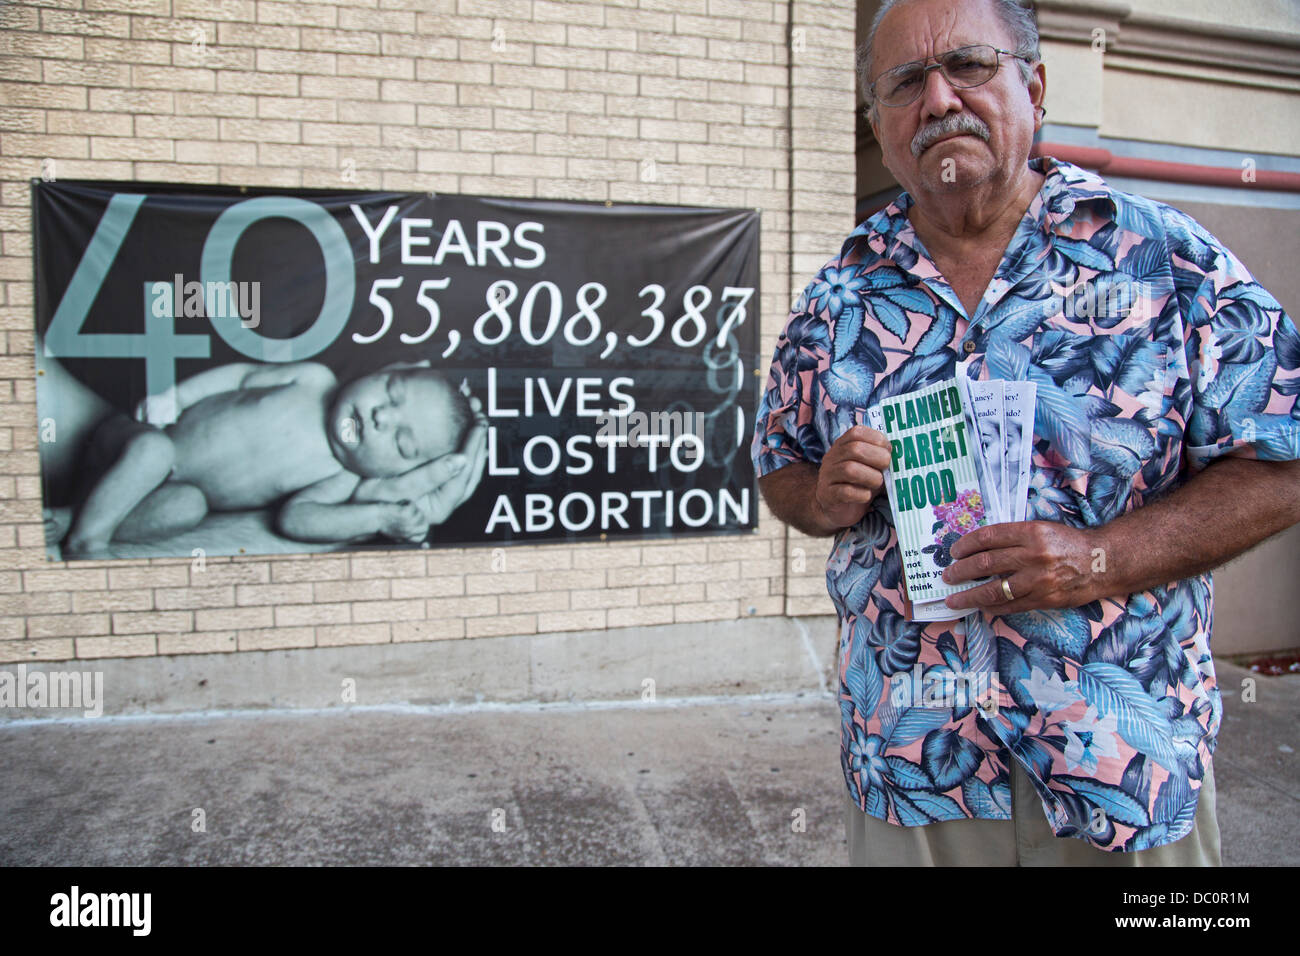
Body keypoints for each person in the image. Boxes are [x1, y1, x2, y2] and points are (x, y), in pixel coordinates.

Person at [753, 0, 1300, 865]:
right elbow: (779, 468)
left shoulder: (1160, 257)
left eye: (969, 65)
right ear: (880, 126)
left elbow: (1285, 461)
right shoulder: (837, 300)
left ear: (1034, 85)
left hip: (1120, 764)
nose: (937, 100)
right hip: (912, 765)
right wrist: (820, 497)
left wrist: (1099, 559)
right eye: (904, 83)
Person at [62, 360, 488, 556]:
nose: (381, 417)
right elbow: (243, 375)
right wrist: (179, 397)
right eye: (391, 392)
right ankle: (87, 544)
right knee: (153, 451)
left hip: (162, 490)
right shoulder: (313, 379)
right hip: (135, 438)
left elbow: (296, 519)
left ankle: (75, 520)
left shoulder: (338, 476)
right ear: (385, 368)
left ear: (406, 472)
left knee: (186, 507)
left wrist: (377, 517)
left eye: (402, 444)